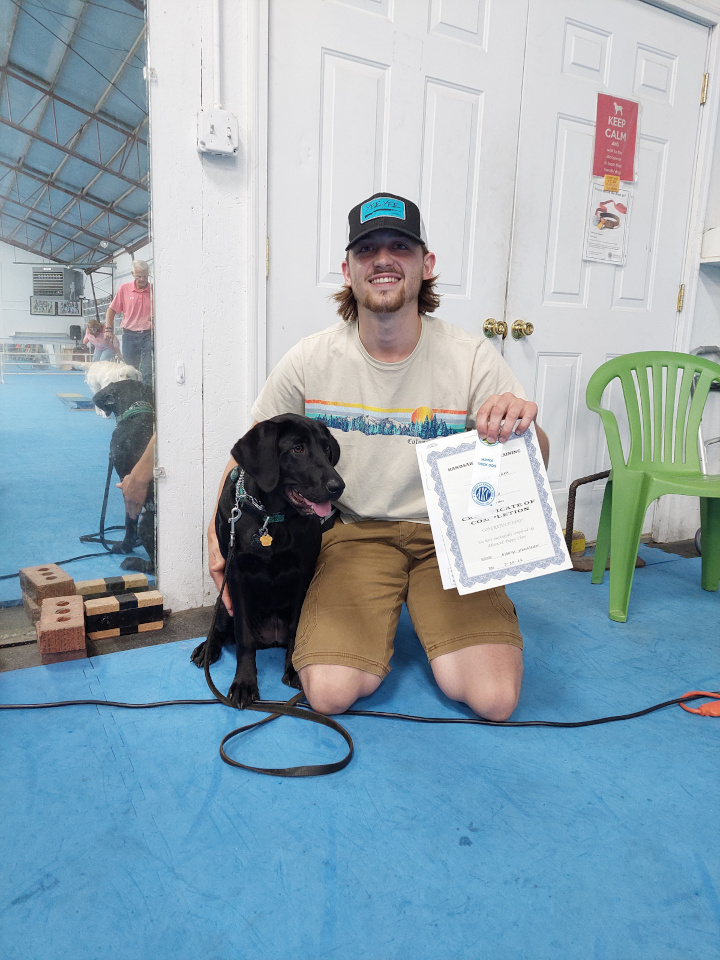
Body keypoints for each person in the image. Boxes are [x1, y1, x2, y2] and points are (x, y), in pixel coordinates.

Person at [208, 192, 549, 721]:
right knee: (329, 694)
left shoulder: (472, 356)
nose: (383, 259)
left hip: (448, 537)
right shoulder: (310, 358)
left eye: (400, 247)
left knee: (494, 700)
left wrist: (524, 426)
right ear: (348, 270)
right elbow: (251, 451)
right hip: (354, 535)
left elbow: (536, 459)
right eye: (367, 249)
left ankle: (429, 610)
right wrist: (217, 539)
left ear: (425, 265)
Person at [105, 260, 153, 384]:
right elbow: (111, 310)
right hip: (129, 335)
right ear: (132, 274)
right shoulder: (124, 289)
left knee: (147, 369)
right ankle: (131, 398)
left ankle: (145, 399)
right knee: (130, 370)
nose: (142, 279)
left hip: (148, 335)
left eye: (145, 276)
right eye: (139, 276)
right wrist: (109, 329)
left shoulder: (154, 291)